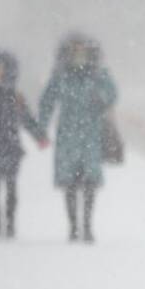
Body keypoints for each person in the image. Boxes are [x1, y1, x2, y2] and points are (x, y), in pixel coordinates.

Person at [38, 33, 118, 242]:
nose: (79, 56)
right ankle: (73, 226)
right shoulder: (60, 76)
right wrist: (41, 129)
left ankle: (88, 226)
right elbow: (47, 102)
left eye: (83, 52)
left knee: (90, 183)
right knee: (71, 184)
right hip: (68, 136)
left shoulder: (99, 75)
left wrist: (101, 97)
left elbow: (112, 95)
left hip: (91, 134)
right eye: (76, 52)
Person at [0, 50, 48, 238]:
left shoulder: (15, 97)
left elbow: (27, 119)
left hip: (10, 147)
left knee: (11, 188)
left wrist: (40, 137)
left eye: (0, 69)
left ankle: (10, 223)